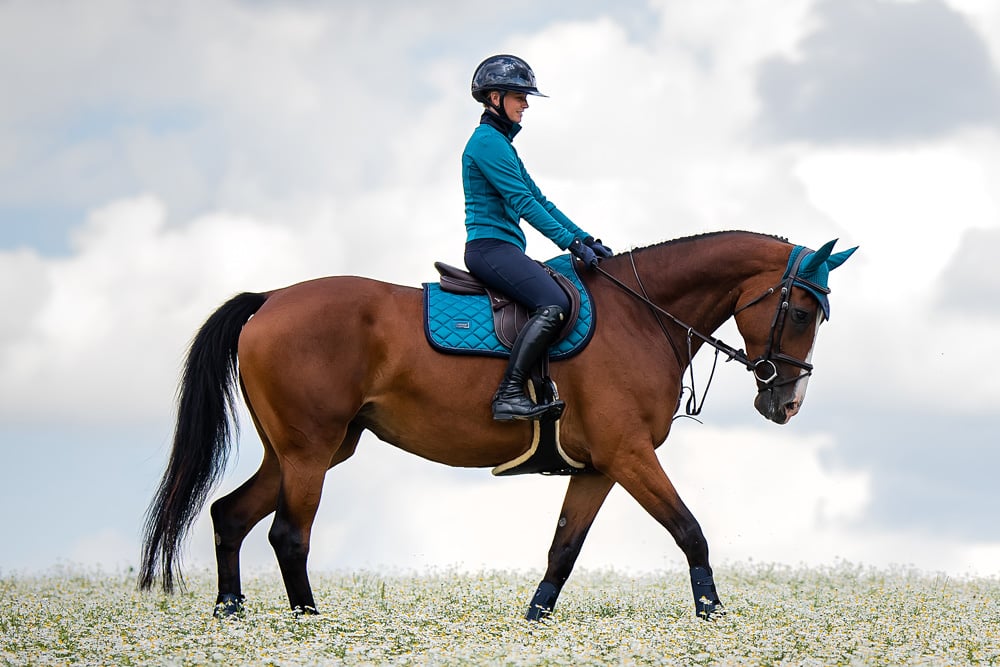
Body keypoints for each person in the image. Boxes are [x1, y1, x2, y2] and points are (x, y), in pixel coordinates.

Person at [462, 54, 613, 422]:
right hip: (489, 249)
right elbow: (523, 202)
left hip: (504, 248)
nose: (526, 104)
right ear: (495, 97)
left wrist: (585, 238)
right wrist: (570, 244)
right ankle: (509, 394)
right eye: (519, 96)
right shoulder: (486, 142)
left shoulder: (502, 144)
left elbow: (541, 199)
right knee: (554, 303)